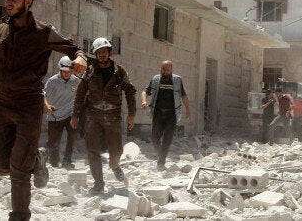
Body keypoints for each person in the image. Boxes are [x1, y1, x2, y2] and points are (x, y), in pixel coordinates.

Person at [0, 0, 87, 221]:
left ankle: (19, 216)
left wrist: (81, 57)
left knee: (19, 169)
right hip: (3, 105)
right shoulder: (0, 32)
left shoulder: (43, 32)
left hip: (29, 105)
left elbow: (73, 49)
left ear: (27, 2)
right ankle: (37, 159)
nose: (7, 2)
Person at [71, 37, 136, 195]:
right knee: (92, 150)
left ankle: (114, 165)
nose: (101, 55)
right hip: (93, 115)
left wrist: (132, 114)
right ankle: (98, 183)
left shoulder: (120, 72)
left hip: (113, 116)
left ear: (109, 53)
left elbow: (130, 92)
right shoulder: (90, 71)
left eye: (104, 52)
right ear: (95, 54)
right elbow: (80, 94)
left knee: (117, 151)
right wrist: (75, 115)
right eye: (98, 52)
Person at [141, 60, 192, 171]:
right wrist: (144, 101)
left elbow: (184, 96)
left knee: (167, 139)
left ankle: (161, 162)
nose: (165, 72)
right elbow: (145, 91)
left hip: (171, 115)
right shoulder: (155, 79)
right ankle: (161, 155)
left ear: (171, 69)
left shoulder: (177, 80)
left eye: (167, 70)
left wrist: (188, 110)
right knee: (155, 139)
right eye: (163, 69)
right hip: (158, 114)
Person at [43, 56, 80, 169]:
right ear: (60, 70)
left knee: (73, 136)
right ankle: (54, 163)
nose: (67, 74)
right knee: (54, 143)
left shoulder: (76, 80)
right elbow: (43, 94)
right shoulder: (53, 81)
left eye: (69, 72)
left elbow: (83, 93)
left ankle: (67, 161)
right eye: (65, 72)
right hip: (55, 116)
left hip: (69, 114)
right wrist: (47, 106)